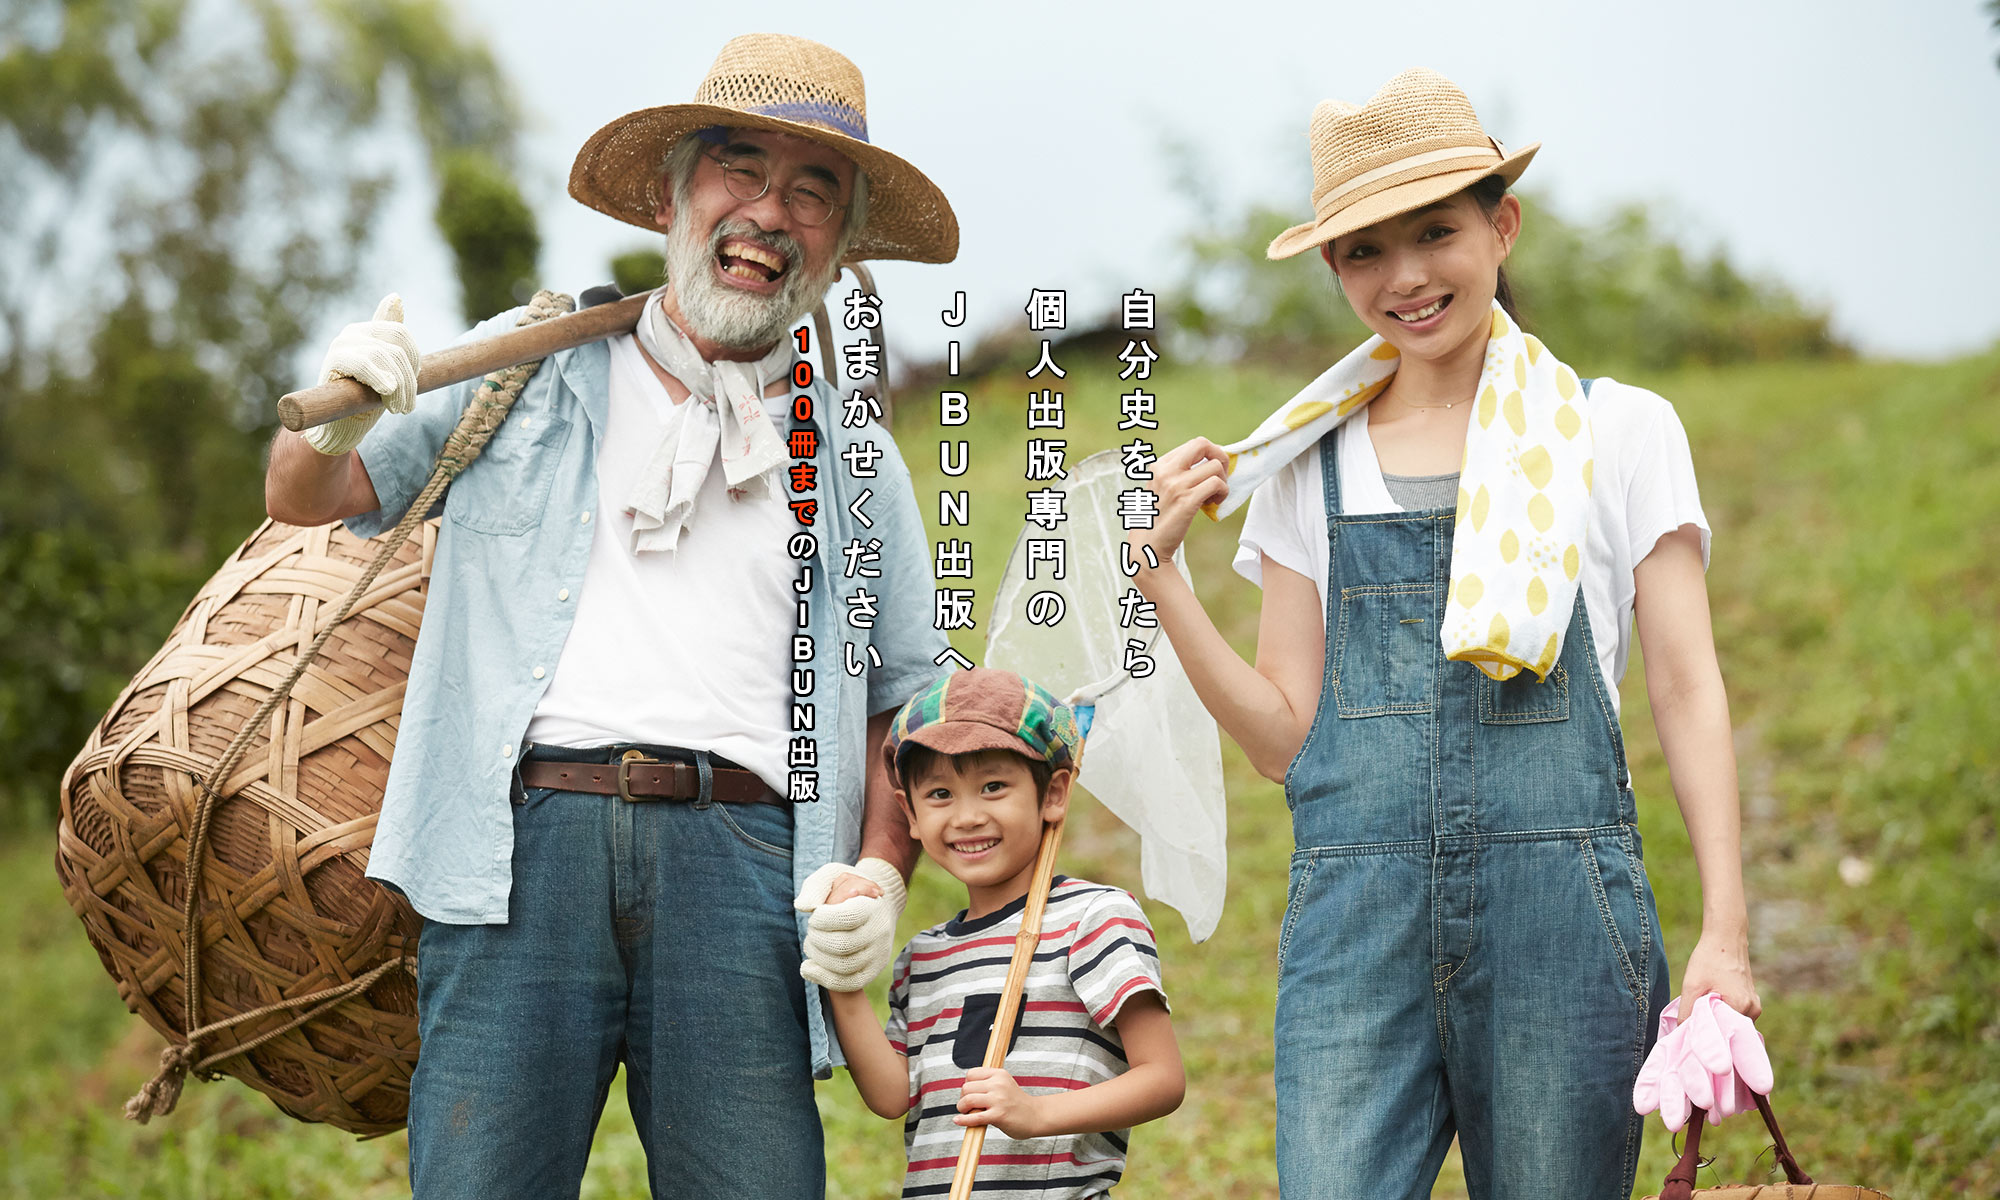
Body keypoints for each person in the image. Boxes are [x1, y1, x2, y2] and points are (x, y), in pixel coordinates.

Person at [263, 33, 957, 1200]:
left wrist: (880, 872)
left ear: (839, 247)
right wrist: (327, 418)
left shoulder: (857, 459)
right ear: (675, 194)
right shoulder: (521, 371)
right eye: (740, 170)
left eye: (811, 190)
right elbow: (307, 496)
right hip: (523, 850)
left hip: (750, 872)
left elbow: (905, 701)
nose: (768, 213)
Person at [1130, 69, 1760, 1199]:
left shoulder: (1612, 431)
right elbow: (1284, 740)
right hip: (1352, 940)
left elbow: (1685, 687)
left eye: (1435, 233)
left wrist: (1725, 933)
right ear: (1332, 268)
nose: (1406, 277)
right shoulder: (1302, 464)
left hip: (1559, 928)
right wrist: (1162, 578)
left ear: (1499, 225)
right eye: (1364, 250)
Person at [812, 669, 1185, 1198]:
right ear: (909, 814)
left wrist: (1036, 1113)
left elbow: (1162, 1078)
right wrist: (843, 981)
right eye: (940, 793)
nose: (967, 816)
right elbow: (893, 1095)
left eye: (993, 787)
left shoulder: (1094, 917)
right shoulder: (924, 957)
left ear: (1053, 793)